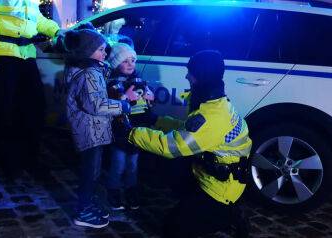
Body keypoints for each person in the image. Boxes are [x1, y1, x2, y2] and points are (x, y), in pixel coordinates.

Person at [126, 50, 252, 237]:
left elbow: (171, 146)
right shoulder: (216, 103)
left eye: (190, 71)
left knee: (172, 229)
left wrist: (129, 133)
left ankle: (227, 216)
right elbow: (188, 131)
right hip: (213, 176)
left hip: (220, 191)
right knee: (171, 168)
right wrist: (156, 120)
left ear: (200, 76)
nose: (186, 75)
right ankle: (197, 204)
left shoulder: (211, 116)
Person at [0, 0, 61, 179]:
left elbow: (37, 20)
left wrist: (57, 31)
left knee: (35, 109)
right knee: (4, 111)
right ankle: (8, 163)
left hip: (26, 54)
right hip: (2, 54)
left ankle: (30, 160)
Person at [63, 29, 131, 228]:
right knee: (90, 172)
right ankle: (83, 210)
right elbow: (95, 104)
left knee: (92, 170)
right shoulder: (89, 73)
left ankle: (88, 203)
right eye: (101, 49)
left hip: (92, 130)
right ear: (87, 51)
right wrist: (123, 106)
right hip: (90, 131)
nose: (105, 53)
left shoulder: (86, 68)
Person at [106, 43, 155, 211]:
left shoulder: (139, 80)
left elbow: (146, 97)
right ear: (115, 63)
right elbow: (111, 102)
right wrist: (124, 97)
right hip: (120, 131)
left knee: (133, 165)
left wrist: (150, 96)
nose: (130, 64)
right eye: (125, 61)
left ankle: (131, 191)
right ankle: (113, 191)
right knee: (118, 164)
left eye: (133, 60)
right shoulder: (112, 82)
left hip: (137, 129)